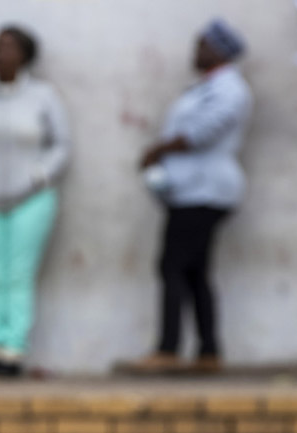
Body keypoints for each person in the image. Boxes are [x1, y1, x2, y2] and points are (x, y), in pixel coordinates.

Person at [120, 19, 253, 375]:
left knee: (173, 265)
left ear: (219, 51)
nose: (195, 52)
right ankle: (208, 351)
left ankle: (168, 348)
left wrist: (158, 150)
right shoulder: (205, 87)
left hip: (204, 190)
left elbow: (202, 132)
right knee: (194, 270)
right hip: (190, 189)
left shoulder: (230, 89)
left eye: (202, 45)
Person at [0, 25, 71, 376]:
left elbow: (61, 145)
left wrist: (38, 176)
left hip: (32, 200)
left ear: (25, 55)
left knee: (19, 273)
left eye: (8, 47)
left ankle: (13, 349)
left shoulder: (43, 96)